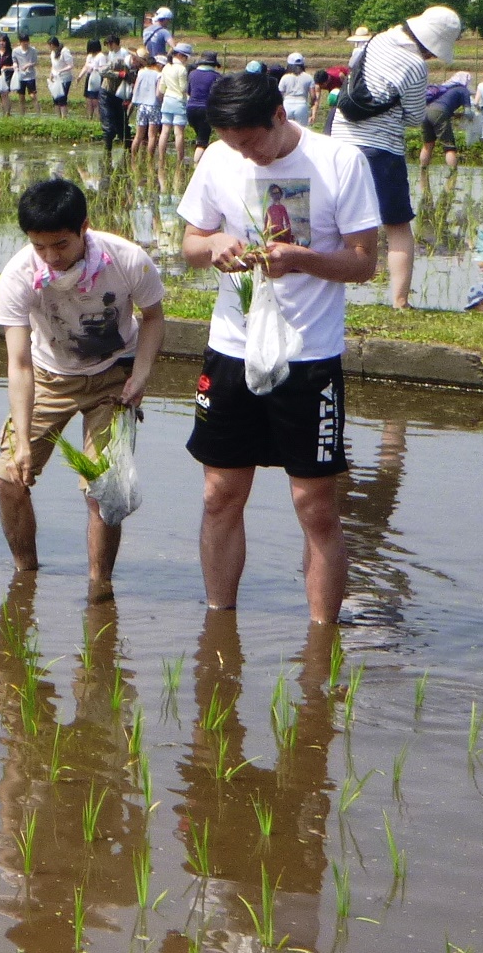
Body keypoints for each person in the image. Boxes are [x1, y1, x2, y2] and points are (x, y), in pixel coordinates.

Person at [178, 70, 379, 625]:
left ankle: (322, 640)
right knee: (220, 492)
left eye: (252, 142)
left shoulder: (339, 162)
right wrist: (214, 243)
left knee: (314, 504)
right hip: (232, 347)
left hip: (308, 353)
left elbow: (364, 262)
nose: (246, 154)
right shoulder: (219, 160)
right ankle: (220, 623)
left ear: (280, 118)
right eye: (232, 143)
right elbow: (192, 242)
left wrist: (302, 259)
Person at [0, 178, 166, 596]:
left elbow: (154, 317)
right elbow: (17, 363)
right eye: (40, 247)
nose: (51, 257)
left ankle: (99, 588)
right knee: (8, 478)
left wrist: (140, 376)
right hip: (48, 375)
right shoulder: (18, 275)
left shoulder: (127, 260)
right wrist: (22, 444)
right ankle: (25, 575)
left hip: (112, 376)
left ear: (84, 228)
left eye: (61, 245)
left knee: (102, 489)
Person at [332, 6, 456, 309]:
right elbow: (415, 117)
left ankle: (324, 291)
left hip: (337, 140)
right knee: (397, 225)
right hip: (380, 148)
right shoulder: (415, 65)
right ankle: (400, 301)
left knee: (331, 221)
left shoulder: (377, 40)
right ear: (428, 45)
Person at [420, 70, 474, 172]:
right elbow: (468, 113)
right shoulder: (463, 90)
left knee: (428, 144)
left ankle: (423, 170)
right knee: (449, 146)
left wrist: (455, 114)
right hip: (439, 113)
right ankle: (453, 173)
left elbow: (444, 106)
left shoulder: (444, 88)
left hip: (425, 112)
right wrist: (474, 116)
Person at [277, 52, 315, 128]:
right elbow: (313, 96)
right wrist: (311, 105)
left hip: (287, 104)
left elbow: (279, 94)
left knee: (286, 129)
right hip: (302, 105)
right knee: (302, 130)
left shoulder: (285, 77)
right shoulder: (308, 77)